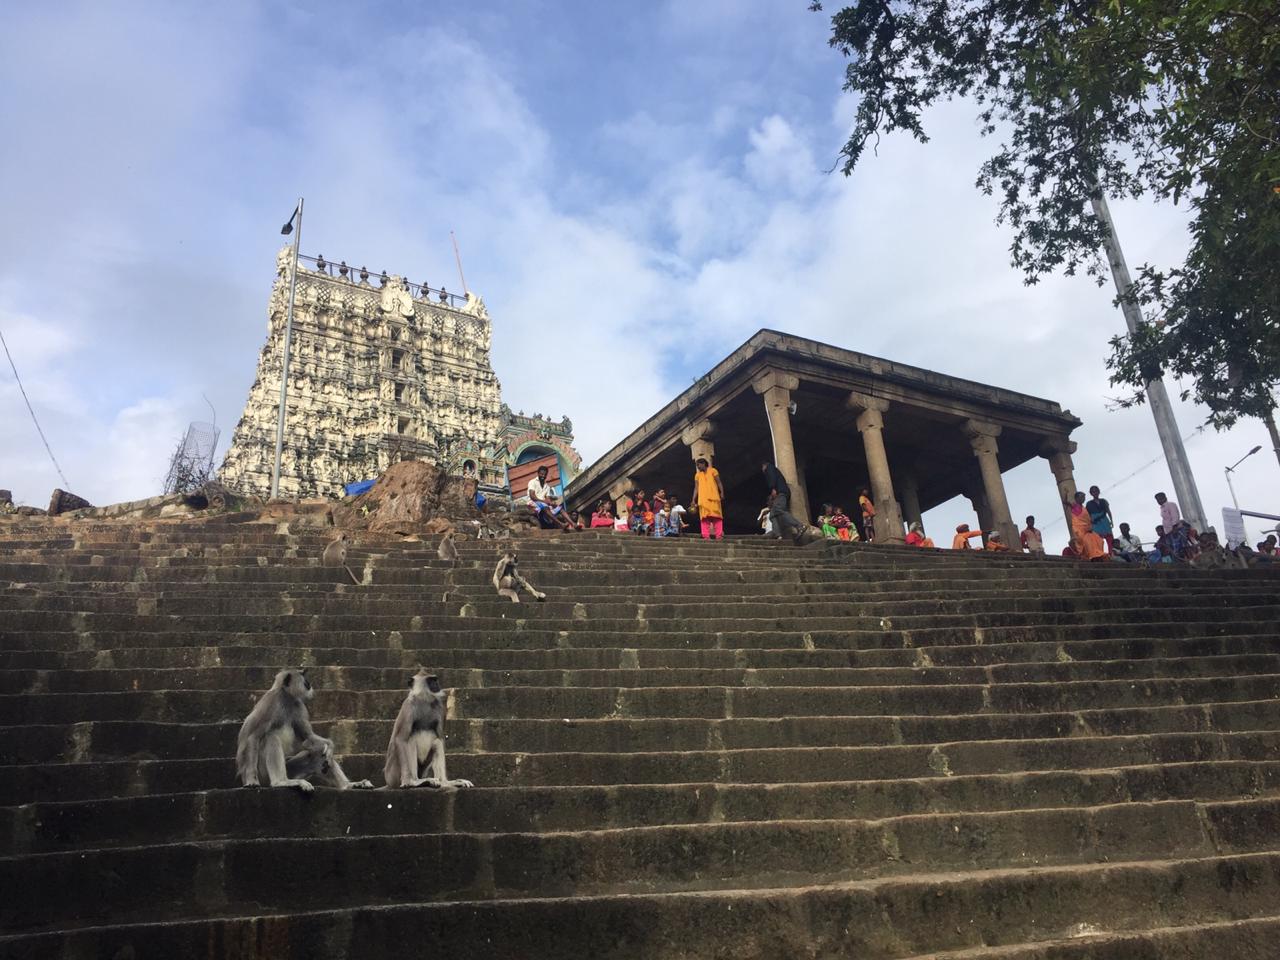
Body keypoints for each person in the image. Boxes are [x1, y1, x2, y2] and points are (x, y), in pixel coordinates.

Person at [761, 461, 805, 543]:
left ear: (764, 465)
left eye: (762, 468)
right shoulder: (775, 471)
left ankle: (799, 526)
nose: (763, 471)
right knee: (772, 515)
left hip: (781, 492)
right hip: (781, 492)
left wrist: (773, 488)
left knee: (778, 509)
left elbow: (772, 478)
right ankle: (778, 535)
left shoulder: (769, 468)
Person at [690, 457, 725, 540]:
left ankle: (719, 535)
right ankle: (705, 535)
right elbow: (696, 488)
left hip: (714, 498)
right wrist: (693, 499)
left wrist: (722, 492)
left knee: (717, 517)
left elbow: (719, 482)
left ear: (703, 464)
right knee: (704, 518)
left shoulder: (713, 471)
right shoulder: (697, 475)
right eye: (697, 465)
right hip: (702, 500)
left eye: (698, 465)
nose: (698, 467)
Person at [527, 466, 572, 531]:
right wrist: (544, 502)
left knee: (560, 508)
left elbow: (547, 498)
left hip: (542, 503)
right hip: (532, 503)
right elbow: (532, 496)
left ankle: (573, 524)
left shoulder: (547, 486)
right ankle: (561, 524)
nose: (543, 476)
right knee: (545, 506)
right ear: (538, 473)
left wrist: (551, 503)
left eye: (545, 475)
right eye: (541, 474)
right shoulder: (532, 482)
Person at [1067, 491, 1107, 561]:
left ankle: (1098, 555)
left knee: (1099, 539)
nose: (1083, 499)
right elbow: (1066, 502)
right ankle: (1092, 556)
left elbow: (1087, 521)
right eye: (1081, 497)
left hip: (1088, 530)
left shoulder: (1084, 508)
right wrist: (1066, 494)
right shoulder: (1075, 506)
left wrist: (1089, 527)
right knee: (1088, 540)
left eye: (1084, 497)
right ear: (1076, 498)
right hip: (1081, 531)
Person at [1086, 485, 1114, 551]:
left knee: (1110, 538)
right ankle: (1100, 554)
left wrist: (1111, 521)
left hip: (1104, 520)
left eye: (1096, 491)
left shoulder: (1104, 501)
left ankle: (1112, 553)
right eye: (1093, 492)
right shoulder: (1089, 504)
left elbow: (1108, 511)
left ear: (1099, 492)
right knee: (1098, 540)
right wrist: (1090, 524)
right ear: (1091, 493)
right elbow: (1088, 515)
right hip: (1095, 522)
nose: (1095, 493)